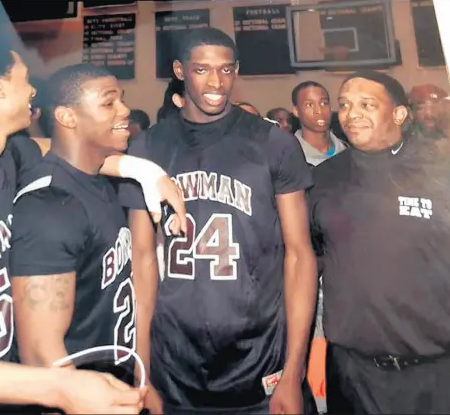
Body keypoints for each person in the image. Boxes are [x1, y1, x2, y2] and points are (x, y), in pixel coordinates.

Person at [0, 33, 186, 415]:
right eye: (24, 79)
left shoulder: (11, 155)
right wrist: (60, 387)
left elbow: (71, 152)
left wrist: (146, 171)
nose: (33, 92)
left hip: (4, 396)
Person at [118, 27, 318, 415]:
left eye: (226, 70)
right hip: (173, 363)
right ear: (179, 70)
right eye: (202, 70)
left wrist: (294, 373)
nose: (216, 82)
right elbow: (141, 260)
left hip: (259, 360)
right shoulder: (147, 147)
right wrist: (142, 370)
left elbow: (300, 255)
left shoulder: (273, 143)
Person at [9, 63, 184, 384]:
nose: (125, 110)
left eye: (121, 99)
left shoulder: (99, 183)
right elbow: (39, 353)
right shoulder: (50, 205)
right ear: (67, 117)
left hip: (114, 379)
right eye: (109, 102)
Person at [309, 70, 450, 414]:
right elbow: (310, 262)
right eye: (345, 105)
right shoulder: (322, 179)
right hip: (353, 375)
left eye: (367, 104)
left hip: (437, 372)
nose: (351, 113)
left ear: (399, 114)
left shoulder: (443, 172)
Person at [292, 81, 347, 167]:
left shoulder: (348, 151)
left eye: (324, 103)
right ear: (296, 111)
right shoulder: (287, 158)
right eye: (309, 105)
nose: (319, 111)